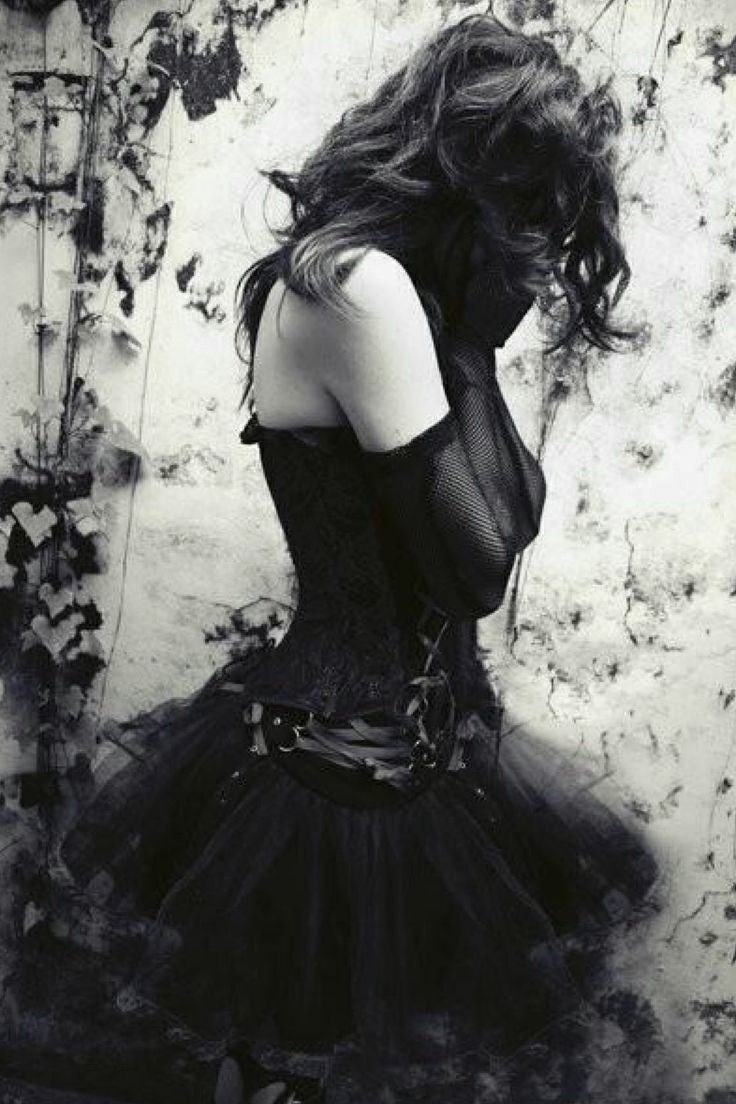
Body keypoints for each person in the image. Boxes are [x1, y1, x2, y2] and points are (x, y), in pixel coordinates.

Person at [60, 13, 659, 1104]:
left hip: (416, 756)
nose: (534, 240)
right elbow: (476, 571)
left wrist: (473, 344)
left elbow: (513, 515)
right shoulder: (357, 284)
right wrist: (471, 345)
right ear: (473, 169)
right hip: (339, 761)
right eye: (527, 200)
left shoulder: (398, 293)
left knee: (317, 1062)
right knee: (290, 1068)